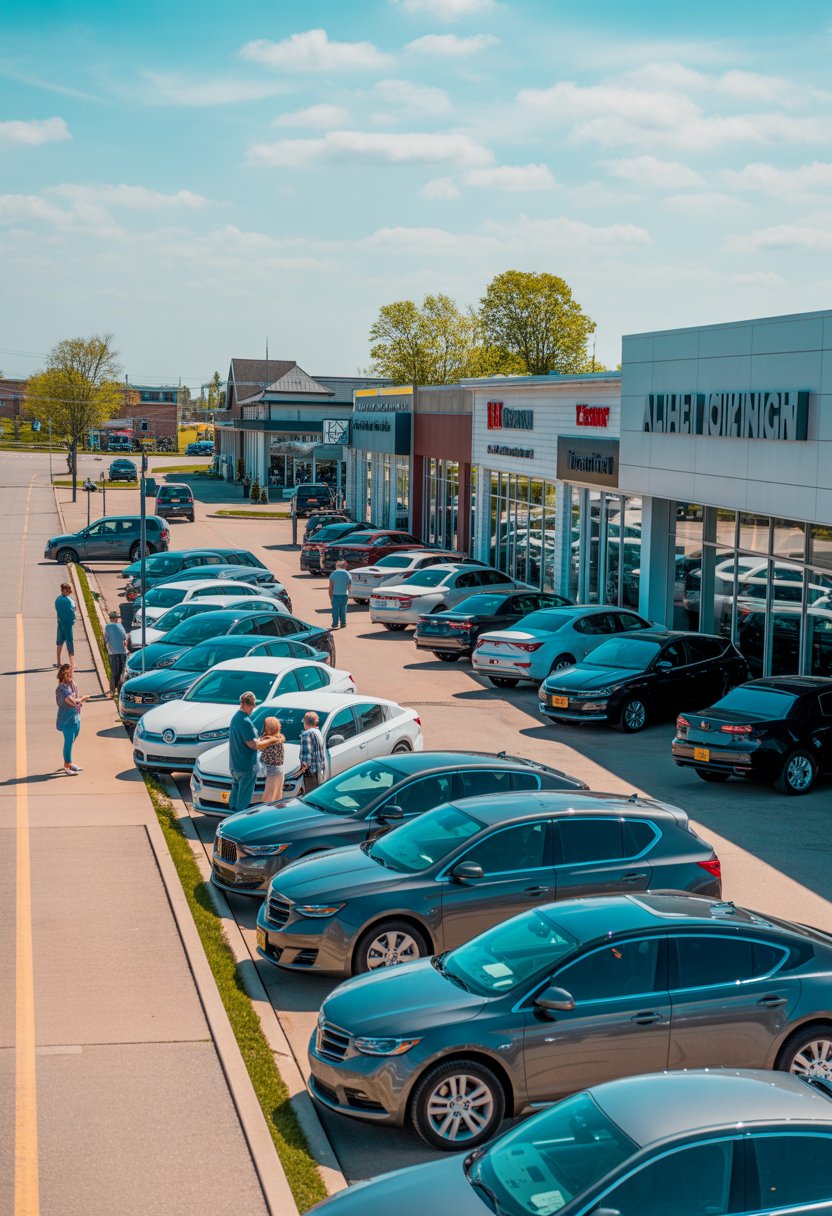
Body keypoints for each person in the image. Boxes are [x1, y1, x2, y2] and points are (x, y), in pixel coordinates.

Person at [227, 691, 271, 812]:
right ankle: (238, 821)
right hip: (246, 765)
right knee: (244, 800)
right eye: (253, 705)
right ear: (247, 705)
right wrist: (269, 742)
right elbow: (252, 744)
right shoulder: (245, 721)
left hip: (235, 764)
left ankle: (230, 815)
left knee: (235, 794)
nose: (253, 708)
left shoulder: (235, 718)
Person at [56, 663, 88, 775]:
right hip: (67, 718)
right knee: (68, 741)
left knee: (72, 740)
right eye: (70, 673)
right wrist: (83, 699)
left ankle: (69, 763)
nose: (72, 674)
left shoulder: (71, 685)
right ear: (65, 675)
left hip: (75, 716)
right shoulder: (62, 689)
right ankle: (66, 765)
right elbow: (72, 701)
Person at [297, 710, 326, 792]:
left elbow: (307, 754)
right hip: (319, 769)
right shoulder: (318, 732)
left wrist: (303, 768)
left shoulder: (306, 734)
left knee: (309, 793)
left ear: (305, 722)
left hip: (310, 772)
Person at [259, 716, 286, 804]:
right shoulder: (280, 737)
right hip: (280, 770)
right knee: (277, 797)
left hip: (271, 770)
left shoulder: (267, 740)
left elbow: (258, 746)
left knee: (268, 799)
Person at [104, 609, 128, 695]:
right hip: (122, 652)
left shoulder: (107, 627)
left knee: (113, 671)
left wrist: (105, 648)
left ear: (110, 618)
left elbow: (106, 640)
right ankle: (120, 689)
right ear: (117, 618)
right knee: (122, 671)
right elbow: (125, 637)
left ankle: (112, 690)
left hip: (112, 652)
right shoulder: (120, 626)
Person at [55, 582, 77, 669]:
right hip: (68, 625)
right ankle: (72, 663)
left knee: (59, 643)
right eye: (68, 590)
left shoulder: (58, 599)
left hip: (60, 624)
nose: (70, 592)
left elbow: (58, 612)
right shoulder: (69, 600)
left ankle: (58, 662)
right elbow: (73, 612)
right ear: (63, 590)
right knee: (70, 642)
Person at [328, 559, 352, 629]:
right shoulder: (348, 574)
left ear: (337, 566)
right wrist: (348, 594)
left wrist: (331, 597)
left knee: (335, 610)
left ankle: (335, 624)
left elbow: (331, 587)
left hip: (335, 595)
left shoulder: (333, 574)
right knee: (343, 609)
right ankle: (343, 623)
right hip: (345, 594)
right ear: (345, 566)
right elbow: (349, 587)